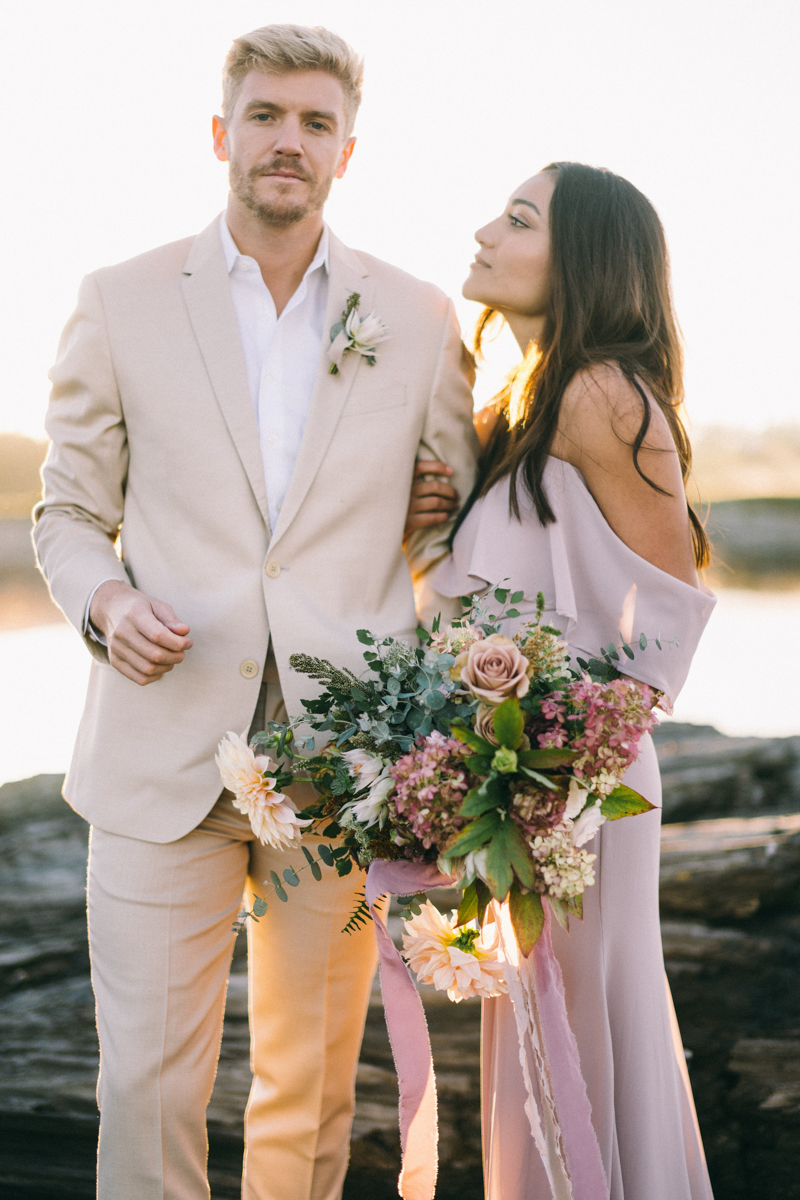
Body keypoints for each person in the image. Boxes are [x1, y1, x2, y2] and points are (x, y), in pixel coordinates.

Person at [34, 24, 477, 1200]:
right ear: (221, 134)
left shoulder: (421, 316)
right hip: (156, 744)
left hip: (341, 763)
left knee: (310, 1088)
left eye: (316, 124)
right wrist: (106, 600)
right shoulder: (118, 300)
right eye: (268, 117)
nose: (290, 141)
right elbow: (66, 513)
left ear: (347, 152)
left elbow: (444, 532)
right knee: (145, 1088)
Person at [406, 163, 716, 1199]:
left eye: (519, 218)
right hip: (526, 790)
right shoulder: (525, 402)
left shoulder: (599, 395)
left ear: (579, 257)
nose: (486, 230)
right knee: (541, 1047)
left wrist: (559, 767)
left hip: (583, 789)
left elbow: (662, 620)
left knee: (580, 1045)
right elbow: (475, 614)